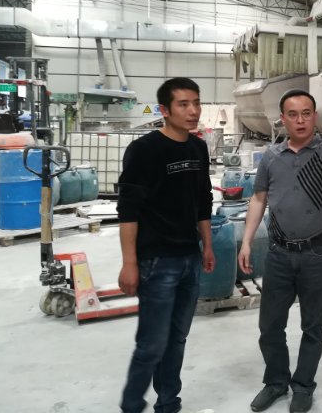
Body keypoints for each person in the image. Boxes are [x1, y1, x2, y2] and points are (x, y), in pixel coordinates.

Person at [239, 89, 322, 413]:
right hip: (279, 254)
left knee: (313, 326)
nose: (300, 120)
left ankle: (303, 385)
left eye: (306, 113)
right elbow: (258, 199)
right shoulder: (271, 158)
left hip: (317, 254)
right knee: (270, 325)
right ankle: (275, 382)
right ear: (282, 119)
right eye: (293, 114)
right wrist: (246, 241)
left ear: (315, 117)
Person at [117, 77, 215, 413]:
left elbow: (203, 200)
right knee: (152, 344)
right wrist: (129, 263)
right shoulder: (144, 150)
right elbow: (128, 210)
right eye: (183, 104)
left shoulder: (198, 148)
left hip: (189, 257)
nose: (193, 111)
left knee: (177, 338)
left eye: (196, 103)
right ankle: (132, 405)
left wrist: (207, 245)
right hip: (157, 261)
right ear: (164, 110)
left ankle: (168, 403)